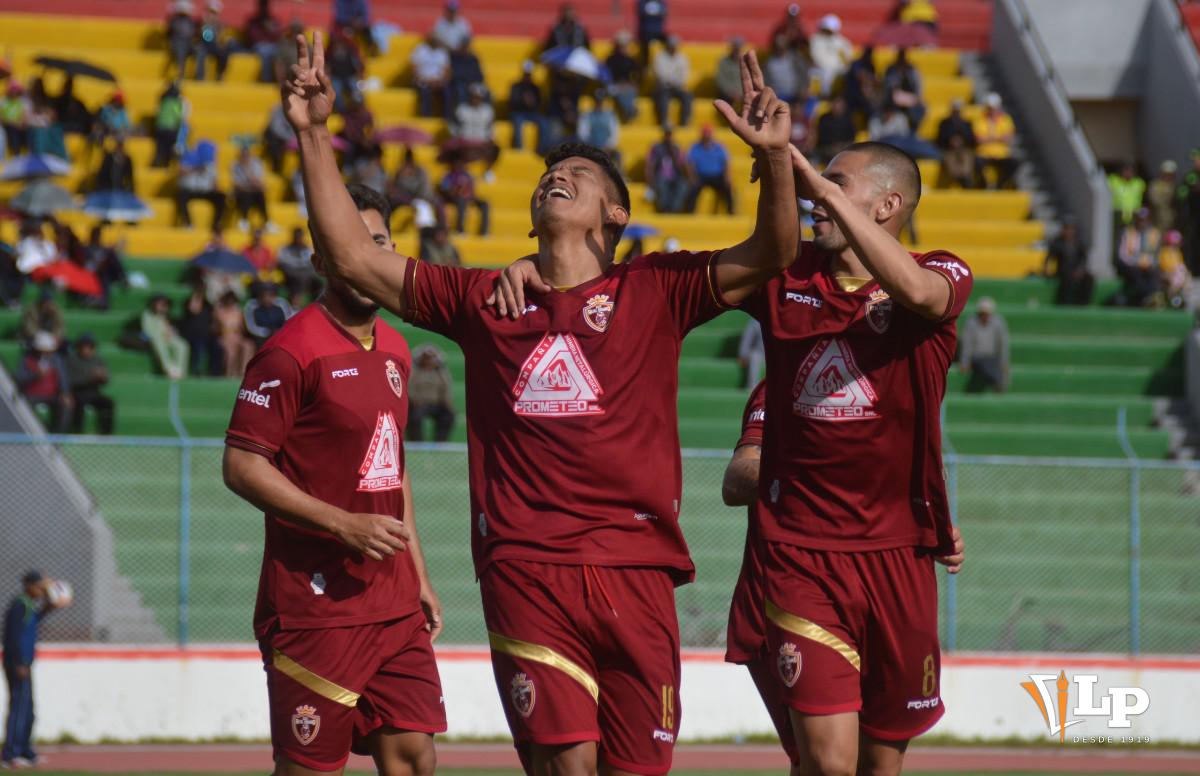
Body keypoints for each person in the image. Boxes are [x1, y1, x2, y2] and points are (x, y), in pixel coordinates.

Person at [285, 33, 796, 774]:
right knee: (566, 765)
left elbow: (773, 252)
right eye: (551, 173)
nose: (557, 175)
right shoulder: (481, 301)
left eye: (579, 173)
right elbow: (354, 258)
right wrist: (311, 133)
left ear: (615, 213)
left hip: (639, 568)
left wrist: (775, 159)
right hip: (528, 566)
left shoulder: (657, 289)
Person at [733, 140, 973, 775]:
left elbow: (918, 292)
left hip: (899, 557)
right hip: (801, 555)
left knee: (878, 765)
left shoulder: (941, 271)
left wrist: (821, 189)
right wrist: (778, 170)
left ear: (888, 205)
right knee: (827, 763)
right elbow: (743, 253)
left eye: (836, 182)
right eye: (818, 183)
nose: (819, 194)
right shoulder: (788, 275)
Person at [222, 183, 446, 776]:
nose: (365, 254)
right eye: (349, 241)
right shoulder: (288, 352)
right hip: (315, 607)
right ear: (322, 259)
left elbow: (392, 466)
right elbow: (241, 465)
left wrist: (419, 575)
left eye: (378, 242)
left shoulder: (397, 349)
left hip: (394, 603)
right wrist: (341, 524)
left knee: (415, 758)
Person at [721, 382, 965, 776]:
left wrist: (933, 529)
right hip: (791, 589)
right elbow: (737, 478)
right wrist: (812, 474)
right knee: (827, 763)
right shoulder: (788, 384)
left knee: (877, 764)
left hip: (886, 595)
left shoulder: (899, 384)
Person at [3, 571, 67, 769]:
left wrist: (49, 607)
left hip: (25, 663)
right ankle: (10, 754)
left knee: (28, 709)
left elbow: (33, 621)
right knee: (19, 708)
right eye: (39, 587)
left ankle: (25, 751)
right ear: (29, 586)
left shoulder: (29, 606)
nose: (41, 591)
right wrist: (19, 663)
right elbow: (13, 636)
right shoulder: (19, 605)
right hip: (18, 663)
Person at [16, 332, 71, 433]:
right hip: (31, 395)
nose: (45, 354)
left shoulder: (56, 360)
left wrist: (65, 393)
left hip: (52, 395)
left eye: (48, 351)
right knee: (23, 405)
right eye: (42, 351)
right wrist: (35, 375)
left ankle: (57, 435)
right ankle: (31, 432)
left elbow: (62, 378)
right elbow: (20, 378)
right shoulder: (27, 360)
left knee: (65, 405)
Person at [66, 333, 115, 433]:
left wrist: (103, 377)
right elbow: (70, 380)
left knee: (108, 403)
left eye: (89, 347)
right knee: (78, 404)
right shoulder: (72, 360)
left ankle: (105, 433)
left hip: (93, 392)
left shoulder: (97, 360)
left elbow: (107, 377)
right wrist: (90, 378)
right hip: (77, 392)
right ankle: (77, 431)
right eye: (84, 347)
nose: (86, 350)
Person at [958, 297, 1009, 392]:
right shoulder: (971, 323)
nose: (984, 316)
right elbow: (967, 344)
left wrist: (1004, 362)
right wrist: (965, 362)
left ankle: (999, 384)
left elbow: (1002, 344)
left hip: (993, 357)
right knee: (986, 365)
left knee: (997, 367)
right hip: (977, 358)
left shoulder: (998, 323)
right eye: (982, 313)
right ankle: (996, 382)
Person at [407, 344, 455, 442]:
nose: (429, 361)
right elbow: (408, 387)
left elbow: (446, 388)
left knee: (448, 416)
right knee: (414, 416)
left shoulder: (441, 372)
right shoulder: (414, 371)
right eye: (426, 358)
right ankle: (417, 443)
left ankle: (440, 443)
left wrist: (447, 403)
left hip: (436, 404)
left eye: (431, 358)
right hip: (418, 404)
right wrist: (413, 399)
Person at [451, 84, 501, 179]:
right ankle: (462, 173)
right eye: (473, 97)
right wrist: (457, 137)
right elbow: (454, 127)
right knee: (454, 149)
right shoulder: (461, 109)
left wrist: (490, 138)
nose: (475, 99)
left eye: (478, 97)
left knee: (495, 149)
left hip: (482, 142)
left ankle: (488, 171)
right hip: (465, 142)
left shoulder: (488, 111)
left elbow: (490, 128)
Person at [1116, 207, 1162, 307]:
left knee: (1153, 277)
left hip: (1148, 267)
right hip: (1130, 266)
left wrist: (1149, 263)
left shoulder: (1154, 234)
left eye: (1144, 220)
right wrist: (1136, 263)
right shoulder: (1127, 232)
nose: (1142, 223)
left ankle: (1151, 299)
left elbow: (1156, 255)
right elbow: (1122, 255)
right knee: (1138, 278)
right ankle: (1140, 299)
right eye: (1140, 220)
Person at [175, 141, 227, 228]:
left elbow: (214, 182)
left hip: (206, 191)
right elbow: (181, 172)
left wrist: (218, 189)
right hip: (190, 190)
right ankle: (188, 223)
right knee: (181, 195)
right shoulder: (188, 158)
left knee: (221, 197)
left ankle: (216, 224)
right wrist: (197, 168)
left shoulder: (211, 164)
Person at [685, 125, 734, 214]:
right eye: (705, 136)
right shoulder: (695, 147)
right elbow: (690, 163)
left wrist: (727, 177)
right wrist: (692, 177)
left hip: (717, 176)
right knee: (693, 188)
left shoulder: (719, 147)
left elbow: (726, 163)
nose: (707, 139)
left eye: (708, 136)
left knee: (728, 188)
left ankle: (730, 211)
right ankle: (689, 212)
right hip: (701, 176)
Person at [1043, 218, 1093, 306]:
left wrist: (1080, 270)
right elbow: (1049, 258)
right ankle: (1065, 303)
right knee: (1067, 278)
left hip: (1076, 270)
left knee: (1089, 278)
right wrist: (1047, 270)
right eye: (1067, 229)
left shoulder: (1078, 242)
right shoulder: (1057, 242)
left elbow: (1083, 258)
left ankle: (1083, 303)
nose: (1069, 231)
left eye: (1071, 229)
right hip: (1063, 270)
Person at [973, 93, 1017, 189]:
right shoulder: (980, 119)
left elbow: (1009, 138)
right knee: (976, 163)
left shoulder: (1006, 119)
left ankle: (999, 185)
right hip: (984, 154)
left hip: (1002, 155)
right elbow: (979, 139)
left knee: (1014, 164)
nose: (992, 110)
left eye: (993, 108)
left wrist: (989, 138)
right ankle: (984, 184)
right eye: (990, 108)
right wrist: (999, 138)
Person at [142, 294, 191, 380]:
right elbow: (147, 331)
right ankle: (168, 369)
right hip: (155, 338)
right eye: (159, 304)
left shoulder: (167, 316)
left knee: (182, 345)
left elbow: (173, 329)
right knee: (159, 343)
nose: (161, 306)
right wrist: (162, 335)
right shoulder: (147, 315)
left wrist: (171, 332)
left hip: (169, 337)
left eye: (164, 304)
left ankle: (179, 369)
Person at [181, 278, 222, 375]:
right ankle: (196, 370)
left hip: (207, 335)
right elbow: (194, 310)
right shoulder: (189, 301)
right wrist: (196, 297)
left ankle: (215, 371)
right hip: (193, 334)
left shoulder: (208, 304)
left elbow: (214, 317)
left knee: (217, 347)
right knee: (198, 345)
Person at [645, 124, 689, 214]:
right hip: (661, 176)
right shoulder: (656, 148)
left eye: (670, 134)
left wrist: (673, 153)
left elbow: (682, 167)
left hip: (675, 177)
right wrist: (650, 182)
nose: (668, 137)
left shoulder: (677, 148)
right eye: (667, 134)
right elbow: (650, 165)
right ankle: (664, 209)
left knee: (683, 186)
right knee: (662, 185)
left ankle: (675, 210)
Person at [439, 159, 489, 236]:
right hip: (455, 198)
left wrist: (469, 194)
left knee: (484, 204)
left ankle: (484, 232)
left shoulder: (468, 175)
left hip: (468, 197)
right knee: (461, 202)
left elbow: (471, 189)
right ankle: (460, 230)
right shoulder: (449, 175)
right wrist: (455, 192)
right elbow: (444, 188)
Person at [652, 35, 692, 127]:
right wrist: (673, 80)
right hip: (663, 87)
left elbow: (684, 76)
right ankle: (664, 121)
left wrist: (673, 80)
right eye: (671, 45)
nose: (673, 47)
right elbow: (660, 75)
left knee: (688, 96)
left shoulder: (682, 58)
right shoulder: (659, 57)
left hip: (678, 87)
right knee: (663, 97)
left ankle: (684, 121)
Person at [935, 99, 976, 188]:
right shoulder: (944, 123)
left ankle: (965, 180)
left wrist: (961, 141)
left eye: (958, 111)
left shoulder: (966, 123)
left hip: (964, 149)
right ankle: (964, 182)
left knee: (967, 158)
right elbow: (939, 139)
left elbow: (972, 139)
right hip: (948, 150)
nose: (956, 113)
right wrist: (950, 140)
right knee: (952, 163)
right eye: (955, 110)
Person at [882, 48, 925, 131]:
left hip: (910, 99)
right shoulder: (891, 69)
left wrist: (917, 98)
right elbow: (887, 86)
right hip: (892, 99)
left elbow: (918, 88)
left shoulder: (912, 70)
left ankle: (912, 131)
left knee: (920, 108)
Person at [810, 14, 853, 96]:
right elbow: (816, 57)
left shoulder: (840, 41)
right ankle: (826, 96)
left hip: (837, 68)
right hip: (821, 68)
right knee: (826, 74)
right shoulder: (816, 40)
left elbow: (848, 56)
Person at [215, 290, 256, 376]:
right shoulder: (219, 311)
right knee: (230, 351)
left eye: (232, 300)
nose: (230, 302)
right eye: (228, 300)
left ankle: (243, 372)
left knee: (248, 346)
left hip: (237, 336)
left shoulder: (238, 312)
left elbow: (242, 328)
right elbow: (217, 328)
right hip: (225, 337)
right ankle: (229, 374)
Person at [410, 34, 451, 119]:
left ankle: (446, 119)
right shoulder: (420, 50)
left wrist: (439, 81)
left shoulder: (442, 52)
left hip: (438, 81)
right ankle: (426, 119)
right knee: (425, 93)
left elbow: (447, 71)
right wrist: (426, 80)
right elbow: (414, 70)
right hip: (422, 81)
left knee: (447, 92)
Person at [507, 61, 544, 151]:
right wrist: (523, 101)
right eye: (526, 74)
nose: (527, 77)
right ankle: (518, 147)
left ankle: (542, 148)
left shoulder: (535, 87)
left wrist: (532, 103)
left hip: (532, 113)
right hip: (519, 112)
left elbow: (539, 104)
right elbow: (512, 103)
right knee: (517, 121)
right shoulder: (516, 86)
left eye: (529, 74)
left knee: (544, 122)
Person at [232, 146, 271, 231]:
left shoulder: (257, 164)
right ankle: (244, 220)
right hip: (243, 191)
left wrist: (248, 171)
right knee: (245, 195)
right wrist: (251, 186)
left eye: (246, 156)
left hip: (254, 191)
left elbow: (260, 184)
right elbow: (236, 185)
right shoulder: (235, 165)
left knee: (260, 195)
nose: (245, 158)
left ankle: (267, 222)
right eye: (243, 156)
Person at [577, 92, 621, 168]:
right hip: (591, 146)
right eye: (597, 101)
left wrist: (608, 146)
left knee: (618, 155)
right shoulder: (586, 116)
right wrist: (593, 145)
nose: (599, 103)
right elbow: (583, 134)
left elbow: (615, 134)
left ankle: (619, 174)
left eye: (601, 101)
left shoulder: (610, 116)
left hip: (607, 148)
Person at [604, 31, 640, 122]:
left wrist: (632, 83)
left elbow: (637, 74)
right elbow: (606, 76)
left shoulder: (630, 60)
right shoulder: (610, 60)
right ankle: (629, 110)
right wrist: (619, 84)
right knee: (618, 91)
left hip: (627, 86)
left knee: (630, 91)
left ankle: (628, 110)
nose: (624, 48)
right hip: (614, 85)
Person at [243, 0, 282, 82]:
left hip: (273, 46)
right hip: (258, 46)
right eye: (262, 6)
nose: (264, 8)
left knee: (281, 52)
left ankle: (282, 80)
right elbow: (253, 38)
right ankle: (266, 80)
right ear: (259, 7)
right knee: (265, 52)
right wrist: (264, 27)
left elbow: (278, 37)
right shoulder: (253, 21)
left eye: (265, 6)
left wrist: (270, 30)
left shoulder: (273, 20)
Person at [277, 227, 320, 300]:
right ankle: (295, 303)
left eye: (300, 237)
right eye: (296, 237)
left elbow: (311, 264)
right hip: (291, 276)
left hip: (306, 274)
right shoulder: (285, 249)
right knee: (296, 280)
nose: (298, 239)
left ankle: (317, 302)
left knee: (317, 283)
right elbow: (282, 264)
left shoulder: (308, 249)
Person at [764, 34, 808, 105]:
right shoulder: (769, 63)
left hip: (795, 95)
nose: (780, 49)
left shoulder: (795, 59)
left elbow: (803, 75)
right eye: (778, 47)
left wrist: (803, 89)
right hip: (777, 96)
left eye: (782, 46)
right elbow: (766, 80)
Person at [196, 0, 234, 81]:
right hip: (203, 45)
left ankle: (220, 74)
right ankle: (200, 77)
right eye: (210, 12)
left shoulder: (219, 24)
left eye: (214, 13)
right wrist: (204, 24)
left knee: (224, 53)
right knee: (200, 53)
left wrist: (222, 39)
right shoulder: (202, 23)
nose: (212, 15)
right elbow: (204, 37)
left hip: (214, 46)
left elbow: (222, 38)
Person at [152, 82, 187, 168]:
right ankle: (167, 162)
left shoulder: (164, 101)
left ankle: (158, 160)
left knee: (160, 146)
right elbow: (179, 117)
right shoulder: (176, 103)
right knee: (170, 145)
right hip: (170, 128)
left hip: (159, 127)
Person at [814, 96, 856, 164]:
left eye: (841, 105)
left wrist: (842, 144)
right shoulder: (824, 118)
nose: (839, 107)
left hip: (844, 146)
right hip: (829, 147)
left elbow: (852, 135)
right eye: (836, 104)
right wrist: (834, 145)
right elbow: (822, 136)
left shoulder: (848, 119)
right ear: (832, 105)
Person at [1108, 160, 1146, 232]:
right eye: (1126, 170)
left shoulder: (1139, 183)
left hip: (1133, 216)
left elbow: (1144, 200)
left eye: (1130, 171)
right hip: (1116, 215)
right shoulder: (1112, 181)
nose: (1128, 173)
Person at [166, 0, 198, 79]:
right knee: (180, 50)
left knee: (200, 50)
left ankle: (198, 75)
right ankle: (181, 73)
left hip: (189, 44)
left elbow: (194, 34)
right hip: (178, 44)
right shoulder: (174, 20)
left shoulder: (190, 21)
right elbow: (168, 34)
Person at [262, 103, 295, 173]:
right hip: (276, 137)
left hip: (289, 137)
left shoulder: (297, 110)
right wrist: (289, 138)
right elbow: (276, 128)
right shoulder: (278, 110)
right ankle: (276, 169)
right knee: (275, 144)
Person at [1147, 160, 1177, 233]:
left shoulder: (1174, 186)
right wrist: (1167, 196)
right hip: (1158, 219)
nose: (1169, 176)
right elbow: (1154, 200)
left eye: (1171, 174)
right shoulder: (1156, 185)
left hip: (1173, 219)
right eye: (1166, 174)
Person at [636, 0, 668, 67]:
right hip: (645, 31)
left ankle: (665, 62)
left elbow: (664, 13)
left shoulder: (661, 2)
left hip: (658, 31)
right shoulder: (642, 2)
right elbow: (642, 13)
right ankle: (645, 65)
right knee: (644, 45)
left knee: (669, 41)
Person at [716, 37, 746, 106]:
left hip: (742, 95)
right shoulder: (723, 61)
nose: (737, 50)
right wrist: (730, 93)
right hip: (727, 95)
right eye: (735, 47)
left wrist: (740, 94)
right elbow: (721, 80)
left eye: (739, 48)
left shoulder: (746, 62)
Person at [738, 318, 764, 389]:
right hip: (760, 353)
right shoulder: (756, 321)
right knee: (754, 356)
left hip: (776, 354)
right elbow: (747, 339)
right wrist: (743, 355)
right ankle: (753, 388)